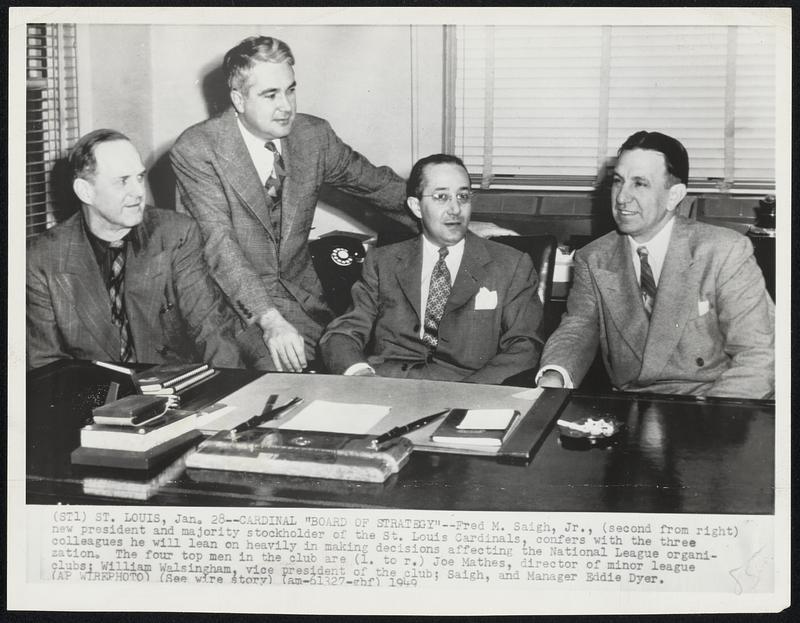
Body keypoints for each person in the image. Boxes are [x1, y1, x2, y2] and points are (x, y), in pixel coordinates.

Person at [171, 35, 513, 373]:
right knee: (275, 383)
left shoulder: (312, 136)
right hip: (232, 306)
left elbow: (377, 185)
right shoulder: (198, 149)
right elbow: (220, 247)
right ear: (239, 99)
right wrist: (269, 320)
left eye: (290, 89)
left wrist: (451, 221)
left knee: (358, 369)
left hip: (303, 298)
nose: (286, 106)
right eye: (270, 94)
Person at [537, 131, 774, 398]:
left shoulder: (723, 251)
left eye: (640, 184)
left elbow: (758, 356)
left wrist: (715, 420)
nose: (621, 198)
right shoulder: (594, 257)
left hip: (713, 403)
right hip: (632, 406)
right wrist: (555, 375)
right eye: (618, 181)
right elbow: (578, 328)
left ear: (674, 196)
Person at [27, 129, 249, 371]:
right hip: (94, 395)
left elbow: (211, 330)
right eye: (123, 181)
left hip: (174, 388)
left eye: (139, 177)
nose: (138, 192)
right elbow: (44, 364)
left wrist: (235, 391)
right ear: (85, 191)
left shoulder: (176, 234)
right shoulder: (42, 258)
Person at [320, 154, 544, 384]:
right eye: (441, 197)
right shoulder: (382, 261)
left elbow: (525, 346)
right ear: (416, 207)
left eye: (463, 196)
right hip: (387, 386)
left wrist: (472, 391)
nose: (455, 208)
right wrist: (360, 374)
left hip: (466, 390)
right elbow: (343, 332)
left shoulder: (511, 264)